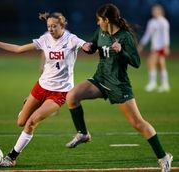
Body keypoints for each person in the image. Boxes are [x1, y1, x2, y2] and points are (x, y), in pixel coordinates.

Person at [65, 4, 173, 172]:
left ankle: (163, 156)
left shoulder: (125, 37)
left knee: (137, 123)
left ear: (107, 20)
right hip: (100, 79)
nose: (97, 23)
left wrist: (122, 51)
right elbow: (93, 46)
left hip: (118, 84)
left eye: (99, 20)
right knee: (72, 96)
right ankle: (83, 133)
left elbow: (136, 62)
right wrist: (87, 47)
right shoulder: (101, 32)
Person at [0, 12, 91, 167]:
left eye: (54, 26)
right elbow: (18, 49)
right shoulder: (45, 39)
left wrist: (89, 46)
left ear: (62, 25)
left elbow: (85, 45)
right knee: (21, 121)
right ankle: (31, 105)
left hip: (60, 92)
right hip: (41, 86)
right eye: (48, 26)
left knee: (31, 122)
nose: (51, 29)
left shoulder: (71, 39)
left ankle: (11, 158)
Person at [138, 4, 170, 93]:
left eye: (156, 10)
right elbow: (148, 35)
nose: (154, 12)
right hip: (155, 47)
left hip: (161, 47)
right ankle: (165, 84)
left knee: (150, 62)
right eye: (153, 10)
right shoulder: (151, 22)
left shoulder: (164, 22)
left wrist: (166, 46)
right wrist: (141, 44)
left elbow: (165, 35)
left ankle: (153, 83)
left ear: (160, 11)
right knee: (161, 65)